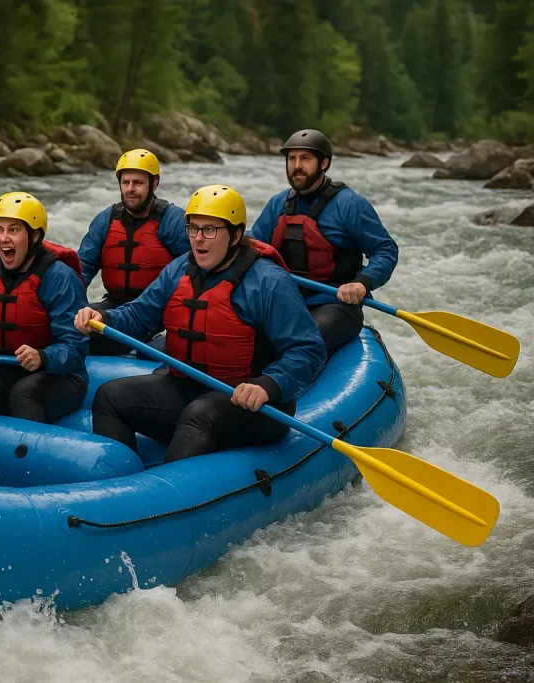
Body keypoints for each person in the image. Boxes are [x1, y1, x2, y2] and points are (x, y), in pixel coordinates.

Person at [74, 185, 326, 463]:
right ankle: (117, 481)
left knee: (201, 413)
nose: (198, 239)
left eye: (210, 230)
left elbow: (307, 350)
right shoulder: (179, 269)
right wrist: (104, 318)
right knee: (110, 396)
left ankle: (168, 497)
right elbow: (139, 315)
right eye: (193, 229)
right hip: (186, 389)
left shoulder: (269, 281)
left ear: (236, 234)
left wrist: (267, 384)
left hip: (252, 404)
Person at [248, 129, 399, 356]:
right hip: (285, 300)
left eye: (305, 158)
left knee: (299, 343)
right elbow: (254, 245)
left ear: (324, 163)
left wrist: (362, 283)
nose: (297, 165)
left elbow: (385, 250)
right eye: (292, 159)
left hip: (335, 304)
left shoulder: (350, 205)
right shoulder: (277, 204)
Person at [0, 192, 89, 423]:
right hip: (1, 367)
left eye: (14, 230)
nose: (3, 238)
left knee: (25, 393)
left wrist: (43, 357)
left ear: (34, 236)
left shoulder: (60, 278)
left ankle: (25, 454)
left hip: (58, 375)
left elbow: (75, 348)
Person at [77, 149, 189, 355]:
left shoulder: (173, 221)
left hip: (157, 312)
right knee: (72, 329)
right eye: (125, 182)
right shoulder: (106, 220)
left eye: (138, 183)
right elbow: (80, 270)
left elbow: (194, 273)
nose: (130, 189)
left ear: (154, 184)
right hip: (115, 305)